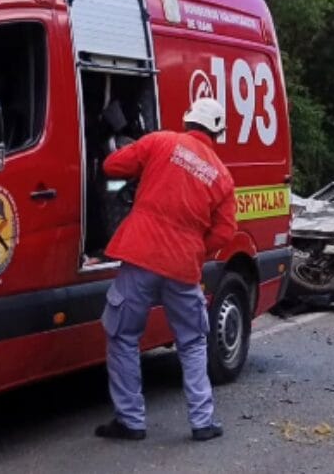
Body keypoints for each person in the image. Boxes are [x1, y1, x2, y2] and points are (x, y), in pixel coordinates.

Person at [94, 97, 236, 443]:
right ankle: (202, 422)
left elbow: (112, 166)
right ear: (217, 132)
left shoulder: (161, 141)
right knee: (192, 342)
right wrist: (195, 247)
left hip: (141, 253)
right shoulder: (222, 176)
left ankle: (130, 421)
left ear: (188, 120)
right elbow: (225, 231)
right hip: (183, 266)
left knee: (123, 336)